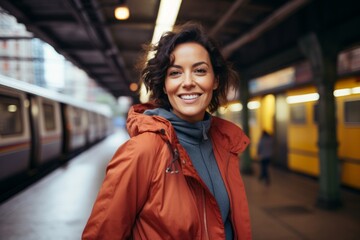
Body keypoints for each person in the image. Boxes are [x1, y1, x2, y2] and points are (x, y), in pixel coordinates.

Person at [82, 22, 252, 240]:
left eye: (200, 70)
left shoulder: (223, 146)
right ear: (163, 85)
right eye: (175, 73)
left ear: (215, 81)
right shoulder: (142, 151)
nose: (188, 82)